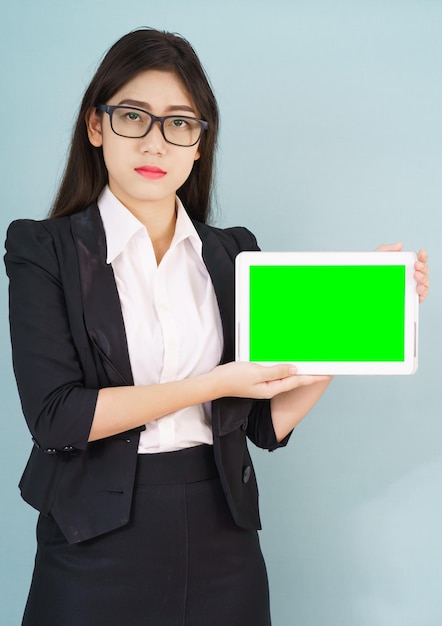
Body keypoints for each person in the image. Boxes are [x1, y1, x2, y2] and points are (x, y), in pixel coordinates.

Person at [4, 28, 429, 626]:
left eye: (180, 123)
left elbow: (261, 421)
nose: (156, 142)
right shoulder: (41, 249)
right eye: (133, 116)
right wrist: (216, 382)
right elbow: (57, 418)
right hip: (91, 538)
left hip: (222, 534)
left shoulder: (234, 255)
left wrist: (365, 309)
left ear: (200, 144)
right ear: (96, 127)